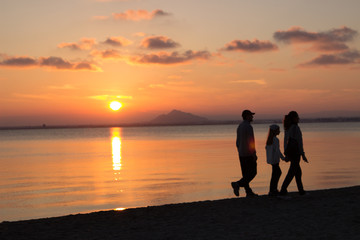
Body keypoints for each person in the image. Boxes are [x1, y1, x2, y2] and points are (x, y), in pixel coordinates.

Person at [280, 111, 308, 196]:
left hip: (290, 152)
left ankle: (301, 191)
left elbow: (285, 141)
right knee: (292, 172)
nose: (298, 118)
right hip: (295, 152)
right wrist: (302, 154)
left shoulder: (287, 127)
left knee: (297, 171)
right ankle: (283, 190)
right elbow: (299, 142)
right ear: (294, 118)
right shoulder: (295, 128)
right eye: (297, 117)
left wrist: (286, 153)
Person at [231, 109, 258, 197]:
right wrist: (253, 153)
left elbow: (237, 142)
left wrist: (239, 151)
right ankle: (237, 184)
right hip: (248, 154)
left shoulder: (240, 126)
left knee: (245, 173)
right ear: (247, 116)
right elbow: (251, 141)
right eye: (251, 115)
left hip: (241, 153)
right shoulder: (248, 127)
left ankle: (248, 192)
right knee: (253, 172)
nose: (252, 117)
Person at [265, 124, 286, 196]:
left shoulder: (269, 140)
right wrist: (283, 158)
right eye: (278, 130)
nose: (279, 131)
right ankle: (273, 190)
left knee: (275, 174)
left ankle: (273, 190)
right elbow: (277, 151)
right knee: (277, 173)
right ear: (274, 131)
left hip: (272, 160)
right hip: (275, 160)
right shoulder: (275, 140)